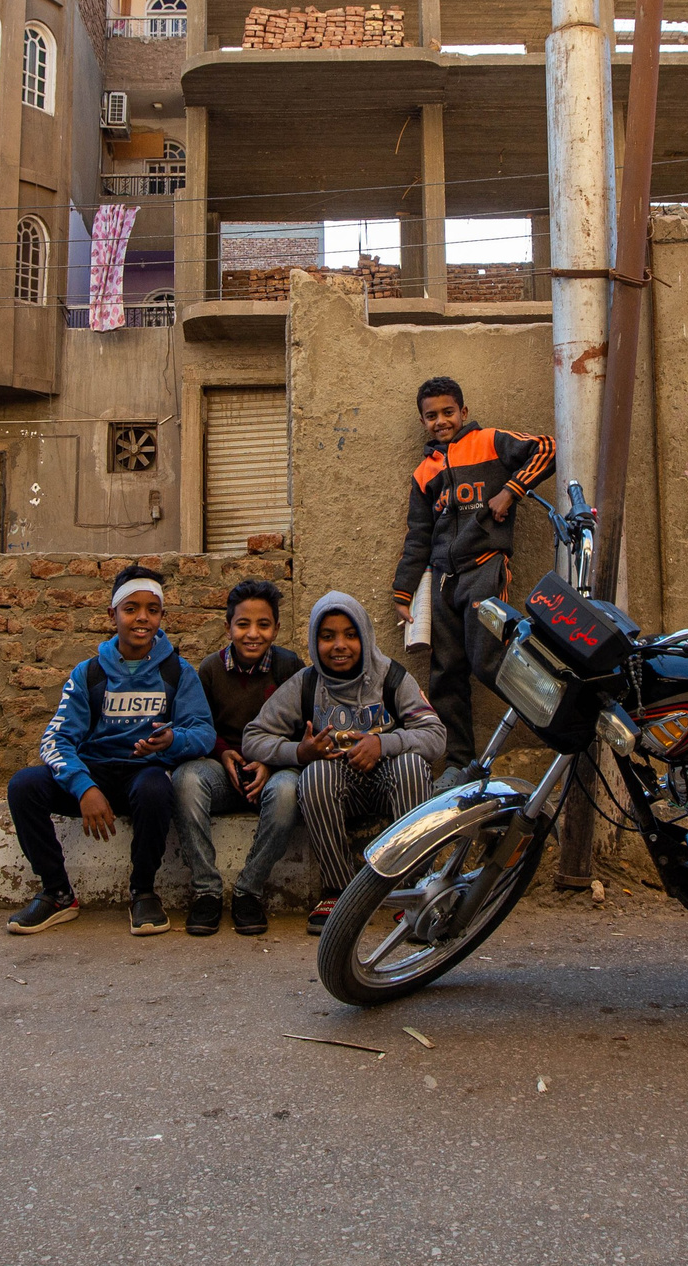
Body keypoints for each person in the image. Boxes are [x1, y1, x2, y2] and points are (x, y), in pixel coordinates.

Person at [4, 564, 215, 937]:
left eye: (152, 609)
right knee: (23, 786)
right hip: (93, 776)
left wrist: (173, 740)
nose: (142, 618)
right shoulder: (89, 674)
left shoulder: (178, 672)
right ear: (112, 614)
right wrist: (83, 787)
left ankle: (143, 891)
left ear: (162, 616)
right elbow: (55, 740)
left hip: (142, 774)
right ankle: (57, 893)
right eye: (131, 608)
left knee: (156, 788)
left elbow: (203, 732)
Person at [242, 591, 445, 935]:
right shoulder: (307, 684)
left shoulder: (391, 678)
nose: (339, 645)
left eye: (350, 635)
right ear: (314, 641)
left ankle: (418, 890)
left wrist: (383, 744)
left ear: (365, 635)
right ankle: (338, 891)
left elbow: (435, 735)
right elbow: (254, 737)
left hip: (391, 785)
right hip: (337, 790)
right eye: (327, 636)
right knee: (315, 773)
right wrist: (299, 753)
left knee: (411, 766)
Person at [389, 375, 555, 776]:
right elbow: (419, 535)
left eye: (448, 412)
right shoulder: (424, 473)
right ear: (423, 421)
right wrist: (403, 589)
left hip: (485, 567)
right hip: (443, 580)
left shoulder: (490, 442)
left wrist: (511, 490)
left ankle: (555, 711)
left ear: (463, 412)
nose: (440, 421)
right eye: (431, 416)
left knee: (486, 659)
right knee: (445, 673)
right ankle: (459, 764)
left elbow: (547, 448)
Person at [171, 579, 305, 938]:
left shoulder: (290, 667)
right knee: (186, 778)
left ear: (277, 628)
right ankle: (206, 891)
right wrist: (222, 752)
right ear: (228, 626)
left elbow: (300, 728)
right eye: (243, 624)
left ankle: (249, 890)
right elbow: (199, 724)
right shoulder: (210, 670)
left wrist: (271, 763)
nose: (253, 634)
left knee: (289, 790)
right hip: (224, 774)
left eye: (263, 625)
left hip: (273, 772)